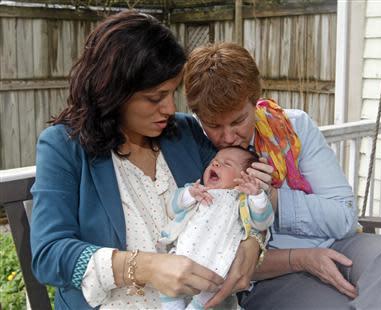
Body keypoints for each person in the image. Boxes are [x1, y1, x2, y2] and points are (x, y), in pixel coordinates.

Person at [30, 12, 268, 309]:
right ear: (114, 91)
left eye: (172, 93)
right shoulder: (64, 146)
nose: (169, 108)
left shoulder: (185, 133)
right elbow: (48, 255)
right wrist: (146, 267)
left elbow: (246, 190)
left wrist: (252, 242)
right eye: (155, 98)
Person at [183, 42, 381, 309]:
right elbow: (205, 252)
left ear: (255, 101)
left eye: (238, 121)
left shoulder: (293, 128)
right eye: (213, 125)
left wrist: (274, 198)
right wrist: (302, 258)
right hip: (272, 273)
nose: (228, 137)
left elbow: (345, 218)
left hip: (336, 244)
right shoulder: (193, 147)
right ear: (198, 116)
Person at [157, 146, 274, 309]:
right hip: (186, 250)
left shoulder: (242, 200)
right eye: (214, 162)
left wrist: (257, 196)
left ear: (245, 177)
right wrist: (189, 194)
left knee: (213, 288)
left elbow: (263, 222)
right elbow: (172, 208)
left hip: (218, 257)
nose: (216, 165)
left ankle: (197, 306)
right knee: (167, 279)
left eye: (227, 164)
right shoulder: (198, 190)